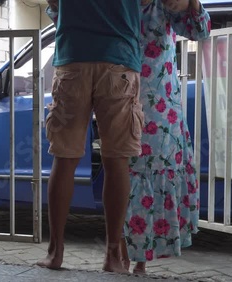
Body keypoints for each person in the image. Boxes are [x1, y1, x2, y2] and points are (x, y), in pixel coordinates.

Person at [37, 0, 144, 274]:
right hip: (119, 59)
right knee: (116, 161)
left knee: (64, 157)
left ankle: (56, 252)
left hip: (73, 57)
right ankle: (112, 257)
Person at [120, 0, 211, 274]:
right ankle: (121, 251)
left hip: (161, 110)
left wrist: (192, 3)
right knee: (124, 173)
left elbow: (201, 30)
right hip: (120, 98)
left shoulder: (167, 5)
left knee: (148, 174)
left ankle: (140, 259)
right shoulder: (118, 5)